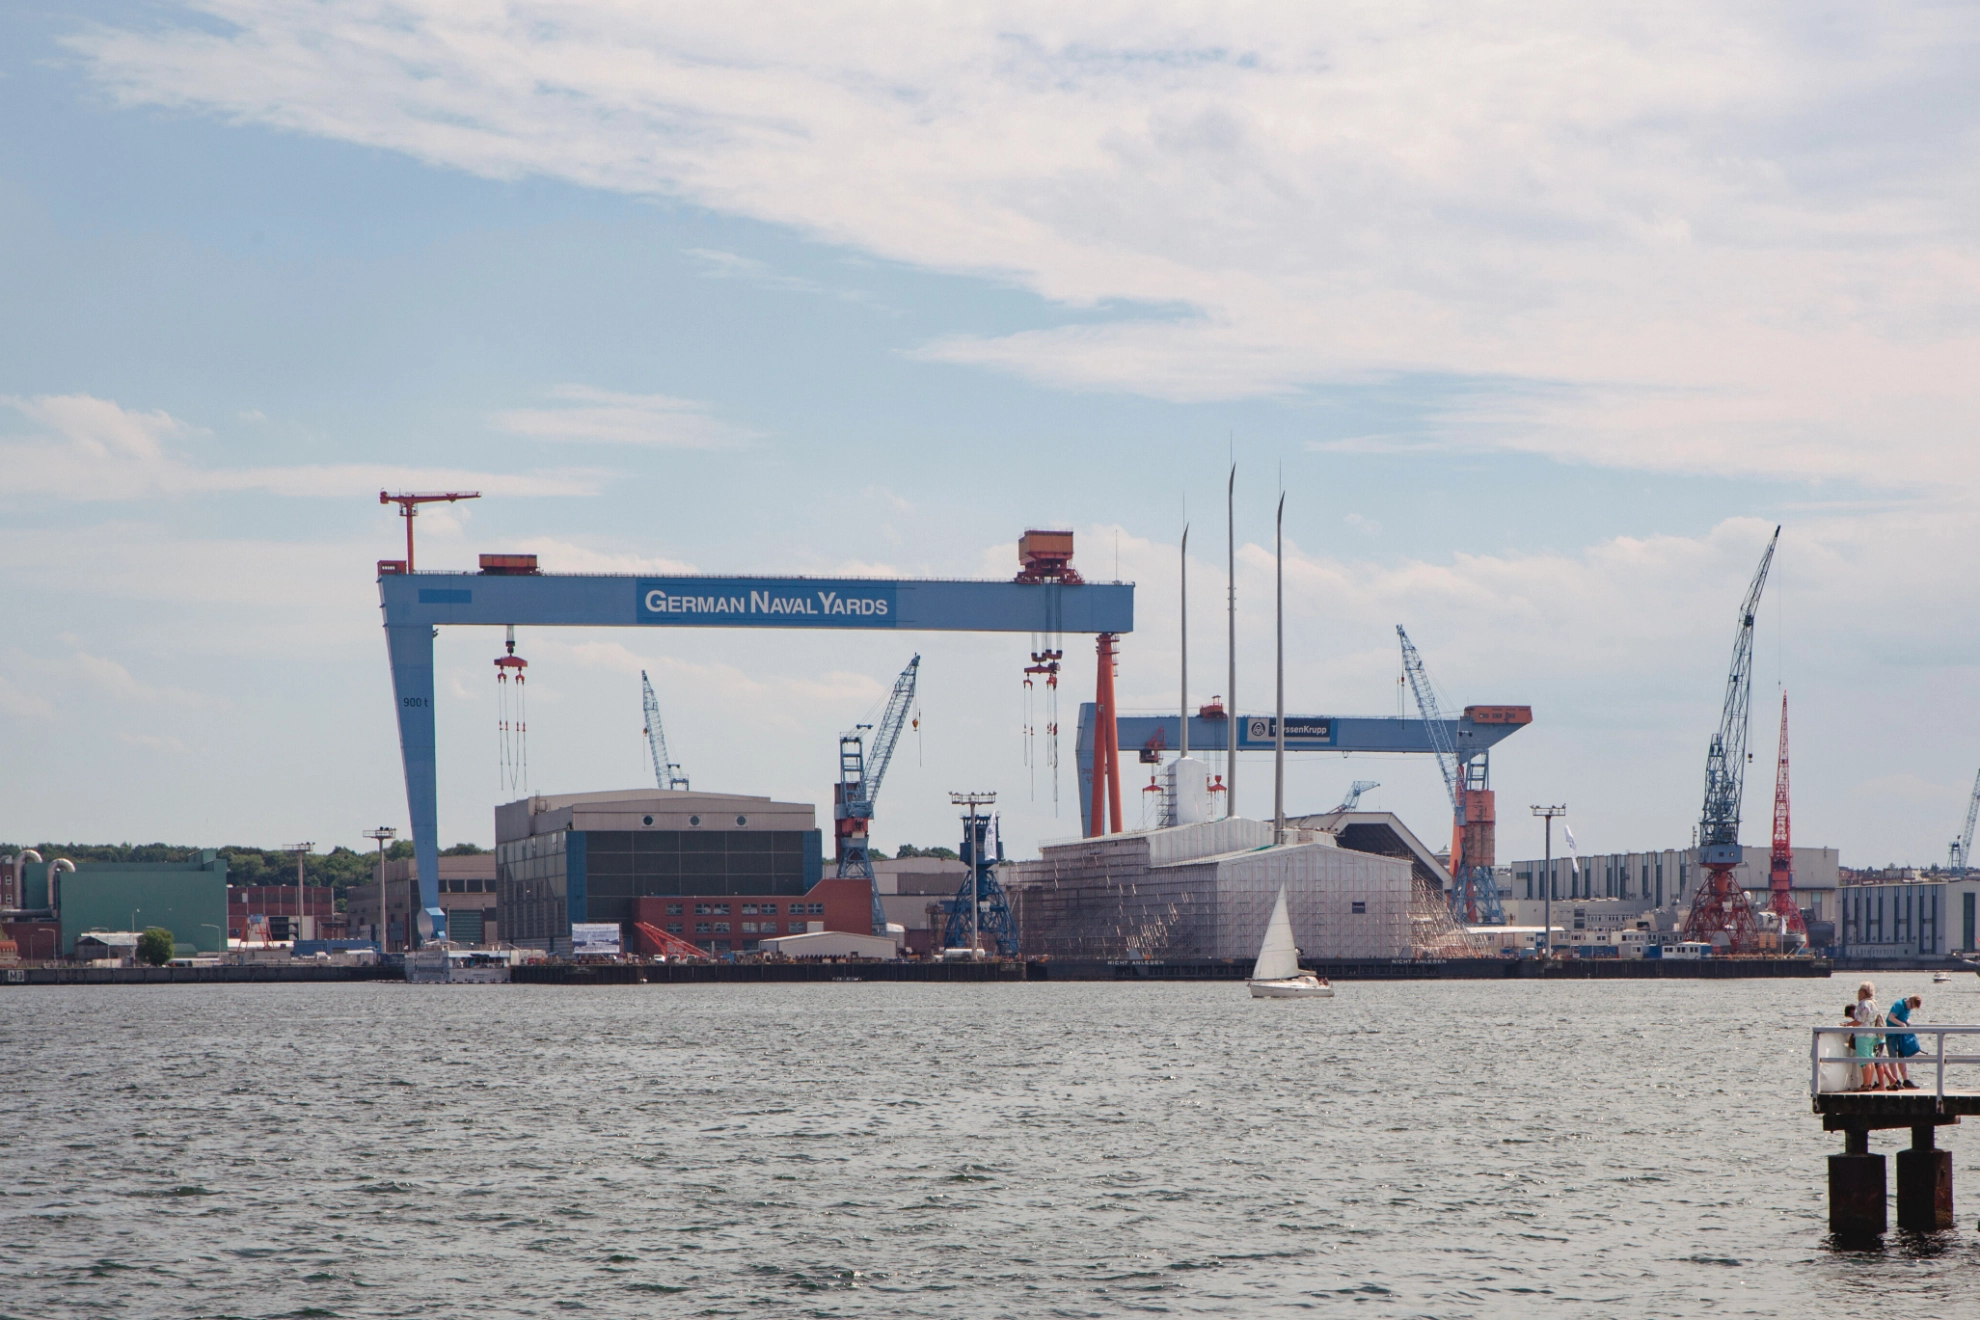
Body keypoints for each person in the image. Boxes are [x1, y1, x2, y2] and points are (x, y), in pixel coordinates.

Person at [1852, 981, 1888, 1091]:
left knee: (1864, 1060)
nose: (1858, 994)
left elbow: (1860, 1020)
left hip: (1863, 1035)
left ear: (1864, 992)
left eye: (1860, 991)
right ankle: (1869, 1084)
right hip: (1872, 1035)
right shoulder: (1874, 1003)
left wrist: (1847, 1024)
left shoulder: (1864, 1004)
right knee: (1870, 1059)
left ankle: (1866, 1084)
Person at [1887, 994, 1923, 1090]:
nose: (1911, 1009)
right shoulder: (1899, 1004)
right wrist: (1902, 1024)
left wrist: (1907, 1021)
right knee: (1893, 1057)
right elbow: (1891, 1017)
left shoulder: (1907, 1009)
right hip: (1891, 1035)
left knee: (1901, 1056)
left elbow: (1903, 1017)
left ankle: (1906, 1080)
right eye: (1911, 1006)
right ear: (1909, 1001)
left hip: (1900, 1035)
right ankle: (1895, 1081)